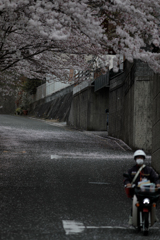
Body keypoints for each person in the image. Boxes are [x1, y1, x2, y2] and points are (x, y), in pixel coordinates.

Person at [124, 149, 160, 224]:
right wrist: (128, 183)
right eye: (138, 157)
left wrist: (157, 184)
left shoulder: (149, 170)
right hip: (137, 191)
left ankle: (154, 215)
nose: (139, 159)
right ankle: (131, 217)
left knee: (154, 201)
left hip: (148, 191)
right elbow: (126, 179)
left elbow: (156, 178)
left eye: (141, 157)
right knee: (134, 202)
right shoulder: (131, 170)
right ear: (135, 159)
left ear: (143, 159)